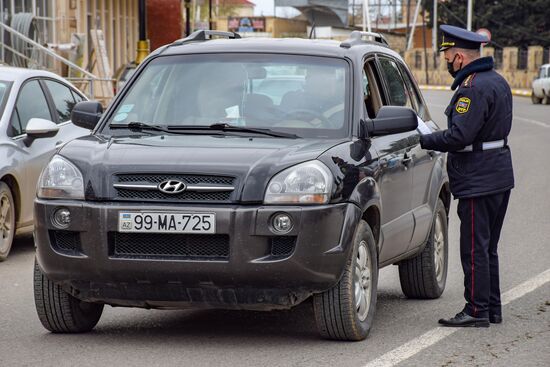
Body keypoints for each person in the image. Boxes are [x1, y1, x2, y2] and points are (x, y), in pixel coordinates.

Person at [419, 24, 514, 327]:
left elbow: (459, 136)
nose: (446, 62)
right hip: (498, 173)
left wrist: (425, 139)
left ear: (459, 57)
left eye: (447, 56)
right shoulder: (498, 81)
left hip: (478, 178)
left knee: (473, 249)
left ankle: (476, 310)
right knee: (487, 248)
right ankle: (491, 309)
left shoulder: (472, 88)